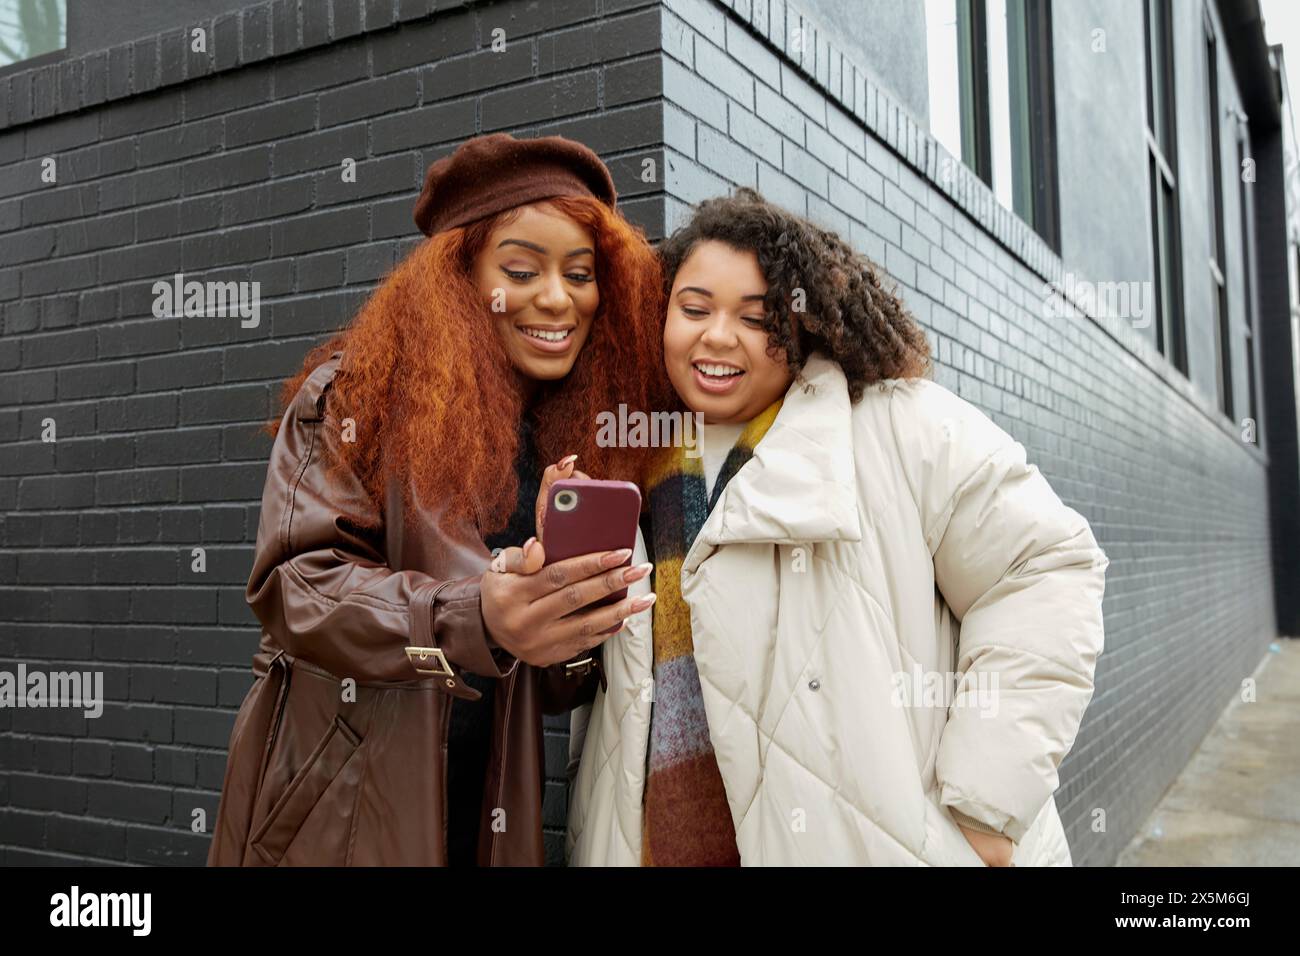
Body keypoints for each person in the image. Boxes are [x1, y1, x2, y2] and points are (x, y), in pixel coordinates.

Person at [566, 187, 1109, 866]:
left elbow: (1045, 569)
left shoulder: (897, 424)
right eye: (694, 309)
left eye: (758, 317)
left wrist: (984, 802)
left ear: (805, 325)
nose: (717, 335)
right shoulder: (632, 460)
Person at [207, 133, 667, 866]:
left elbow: (542, 682)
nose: (558, 297)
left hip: (487, 809)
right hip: (341, 811)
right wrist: (475, 617)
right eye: (521, 268)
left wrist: (567, 626)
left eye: (581, 274)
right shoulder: (356, 397)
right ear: (460, 275)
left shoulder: (565, 436)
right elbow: (295, 587)